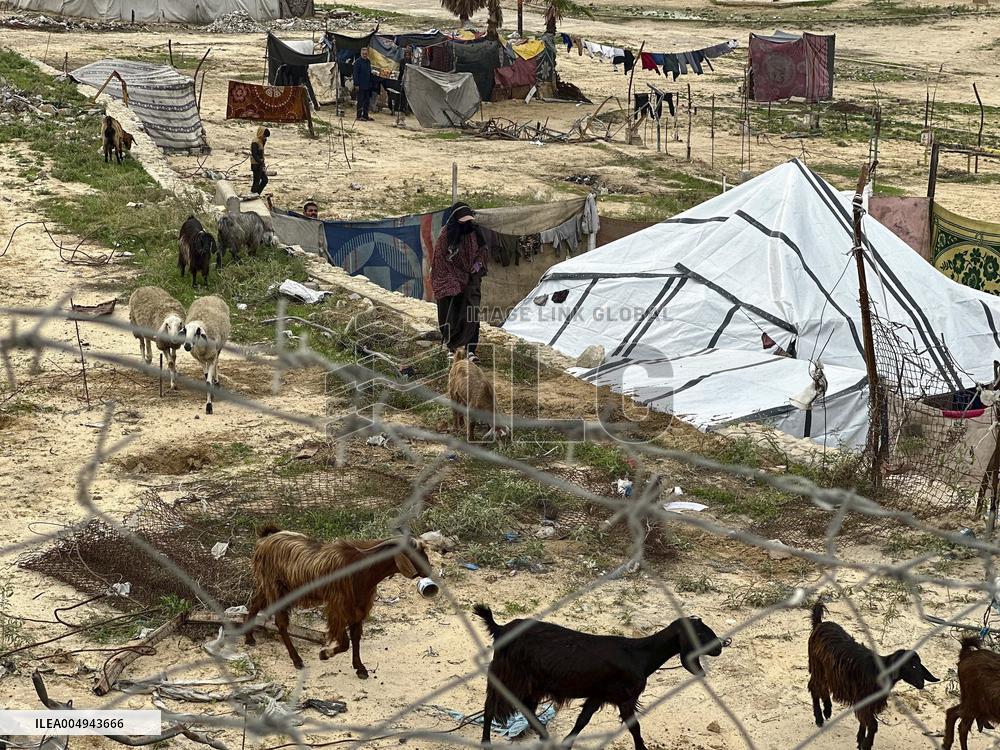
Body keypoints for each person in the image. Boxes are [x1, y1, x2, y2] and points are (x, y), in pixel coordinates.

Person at [431, 203, 488, 360]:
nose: (466, 224)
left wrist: (478, 263)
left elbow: (483, 249)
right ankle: (452, 347)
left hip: (470, 277)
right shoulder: (445, 235)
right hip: (449, 278)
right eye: (462, 221)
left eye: (468, 220)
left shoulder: (475, 231)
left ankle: (471, 350)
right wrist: (453, 280)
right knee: (450, 313)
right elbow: (440, 260)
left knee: (471, 313)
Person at [353, 47, 373, 122]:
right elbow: (355, 74)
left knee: (367, 101)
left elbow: (369, 71)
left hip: (367, 84)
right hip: (360, 84)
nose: (365, 55)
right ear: (361, 54)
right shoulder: (357, 62)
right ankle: (359, 116)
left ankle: (365, 115)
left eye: (366, 54)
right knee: (360, 101)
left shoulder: (368, 61)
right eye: (363, 54)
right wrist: (356, 84)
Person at [250, 127, 270, 196]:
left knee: (265, 180)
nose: (265, 137)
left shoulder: (261, 141)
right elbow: (254, 154)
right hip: (255, 164)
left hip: (260, 164)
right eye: (264, 136)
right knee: (256, 181)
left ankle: (257, 194)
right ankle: (253, 194)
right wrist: (260, 162)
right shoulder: (255, 142)